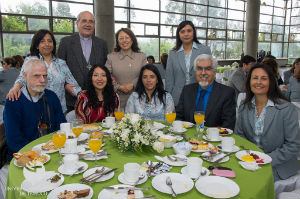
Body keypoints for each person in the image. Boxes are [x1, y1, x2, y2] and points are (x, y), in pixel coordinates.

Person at [235, 64, 300, 181]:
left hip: (278, 166)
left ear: (271, 82)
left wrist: (264, 159)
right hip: (249, 162)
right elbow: (240, 136)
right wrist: (248, 157)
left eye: (264, 79)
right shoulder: (244, 107)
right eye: (255, 78)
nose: (258, 82)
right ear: (249, 81)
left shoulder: (286, 109)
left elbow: (293, 145)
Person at [4, 58, 66, 160]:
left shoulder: (51, 96)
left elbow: (61, 127)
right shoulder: (14, 101)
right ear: (25, 76)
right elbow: (14, 141)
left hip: (53, 153)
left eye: (44, 76)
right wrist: (38, 154)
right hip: (25, 157)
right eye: (36, 76)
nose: (42, 80)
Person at [7, 29, 80, 113]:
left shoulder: (61, 63)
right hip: (36, 109)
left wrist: (83, 96)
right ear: (37, 45)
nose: (47, 44)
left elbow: (74, 84)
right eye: (42, 41)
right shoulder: (30, 60)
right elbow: (22, 78)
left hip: (59, 110)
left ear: (53, 44)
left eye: (49, 41)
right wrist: (15, 88)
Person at [58, 11, 108, 112]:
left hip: (97, 100)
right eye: (84, 21)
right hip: (72, 100)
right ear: (77, 23)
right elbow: (58, 69)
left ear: (94, 25)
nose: (88, 24)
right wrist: (65, 85)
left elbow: (105, 69)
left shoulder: (102, 44)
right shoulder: (66, 42)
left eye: (91, 21)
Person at [176, 54, 236, 130]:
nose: (203, 73)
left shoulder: (227, 93)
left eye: (208, 69)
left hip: (214, 139)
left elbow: (228, 125)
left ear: (214, 72)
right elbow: (178, 117)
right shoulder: (187, 90)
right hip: (187, 138)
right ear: (195, 71)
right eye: (199, 68)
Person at [166, 21, 211, 106]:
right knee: (178, 120)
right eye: (182, 31)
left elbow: (209, 75)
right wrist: (168, 99)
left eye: (189, 31)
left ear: (193, 32)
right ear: (178, 34)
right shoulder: (173, 53)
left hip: (199, 95)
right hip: (177, 98)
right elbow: (169, 79)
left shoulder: (205, 50)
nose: (186, 34)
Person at [105, 28, 147, 108]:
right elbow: (105, 76)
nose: (124, 40)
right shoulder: (111, 57)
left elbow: (145, 74)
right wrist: (118, 87)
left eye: (127, 37)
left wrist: (133, 84)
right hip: (117, 99)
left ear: (132, 39)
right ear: (117, 41)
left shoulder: (142, 56)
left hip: (138, 98)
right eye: (121, 38)